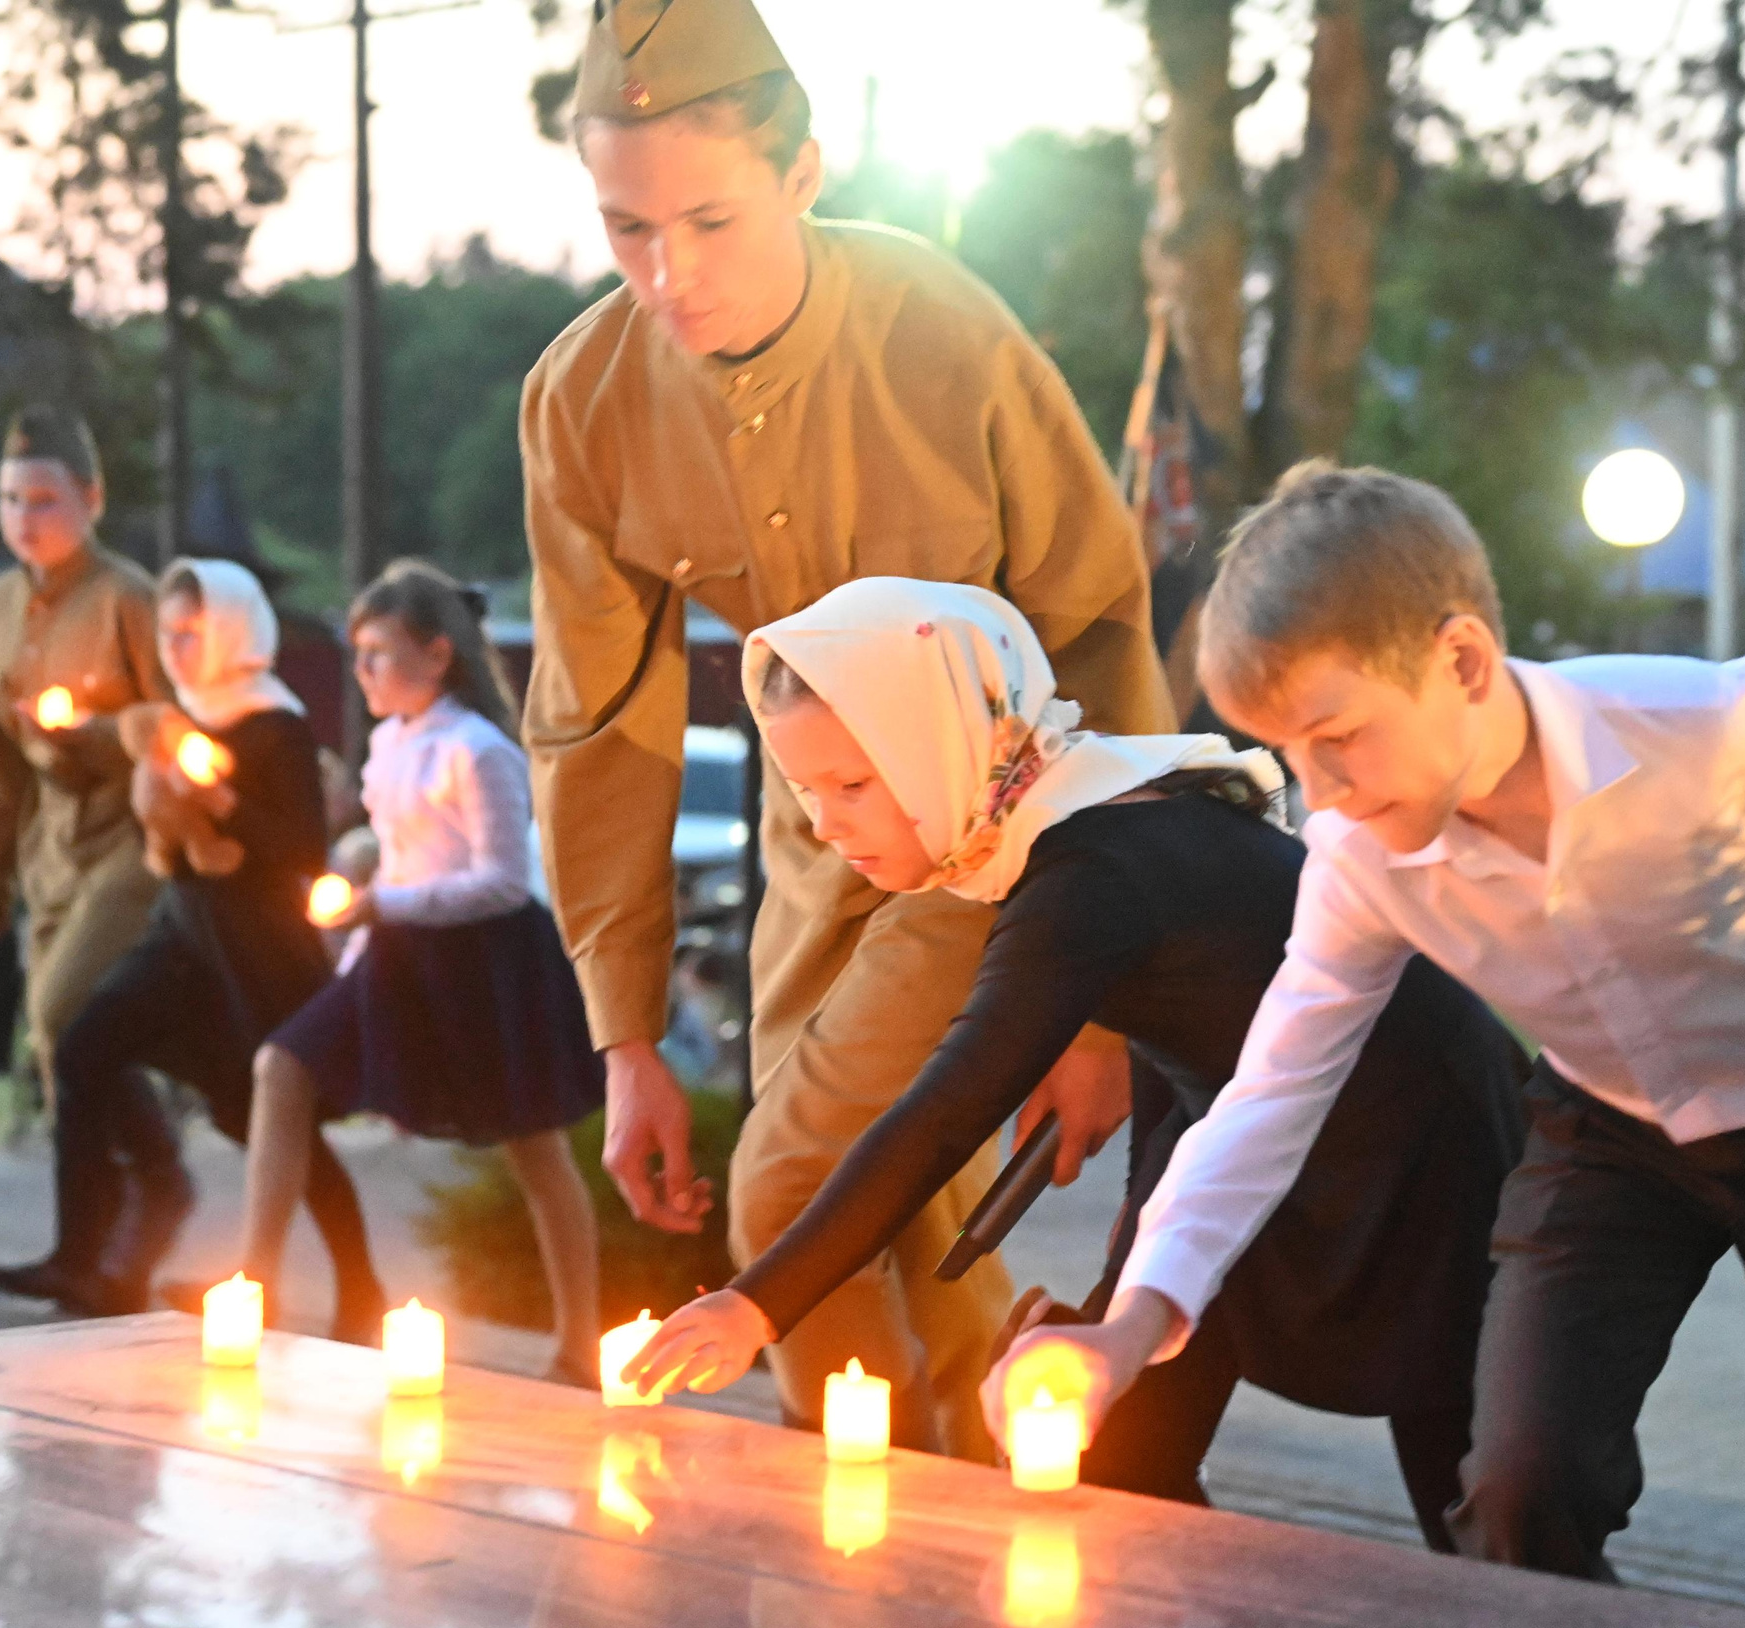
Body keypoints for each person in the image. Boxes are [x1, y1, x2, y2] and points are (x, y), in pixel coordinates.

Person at [991, 465, 1745, 1628]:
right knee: (1519, 1491)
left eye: (1339, 738)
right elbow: (1266, 1094)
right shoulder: (1361, 855)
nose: (1319, 792)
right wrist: (1127, 1326)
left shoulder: (1711, 726)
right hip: (1606, 1141)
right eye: (1288, 756)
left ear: (1463, 661)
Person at [523, 0, 1173, 1458]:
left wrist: (1104, 991)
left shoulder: (947, 334)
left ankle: (861, 1546)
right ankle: (985, 1539)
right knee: (912, 1215)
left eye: (709, 217)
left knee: (792, 1188)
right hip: (817, 864)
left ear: (805, 170)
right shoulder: (580, 402)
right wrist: (626, 1036)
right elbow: (598, 729)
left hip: (1024, 847)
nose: (666, 273)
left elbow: (1103, 629)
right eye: (626, 227)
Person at [619, 581, 1526, 1528]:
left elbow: (945, 1111)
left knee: (1481, 1504)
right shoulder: (1077, 806)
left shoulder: (1086, 870)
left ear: (944, 746)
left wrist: (756, 1306)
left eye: (856, 783)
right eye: (805, 788)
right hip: (1231, 1142)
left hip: (1418, 1141)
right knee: (1119, 1454)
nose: (825, 822)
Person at [0, 561, 385, 1330]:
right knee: (83, 1046)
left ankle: (361, 1291)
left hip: (255, 952)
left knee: (266, 1122)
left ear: (234, 627)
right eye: (167, 631)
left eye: (191, 631)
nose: (174, 646)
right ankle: (86, 1258)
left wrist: (223, 801)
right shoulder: (184, 716)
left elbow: (301, 851)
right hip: (181, 937)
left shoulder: (278, 725)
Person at [241, 562, 604, 1384]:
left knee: (534, 1145)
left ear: (437, 655)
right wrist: (358, 887)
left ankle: (580, 1340)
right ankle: (251, 1289)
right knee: (282, 1065)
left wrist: (382, 902)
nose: (362, 671)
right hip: (398, 953)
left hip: (483, 964)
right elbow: (396, 843)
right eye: (357, 654)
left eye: (378, 653)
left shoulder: (479, 751)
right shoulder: (390, 742)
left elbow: (503, 881)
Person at [0, 406, 171, 1153]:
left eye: (44, 499)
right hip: (49, 849)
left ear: (93, 498)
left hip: (130, 839)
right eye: (11, 500)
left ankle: (158, 1175)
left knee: (60, 1012)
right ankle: (93, 1229)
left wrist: (94, 732)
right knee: (56, 1048)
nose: (25, 517)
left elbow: (178, 731)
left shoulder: (129, 598)